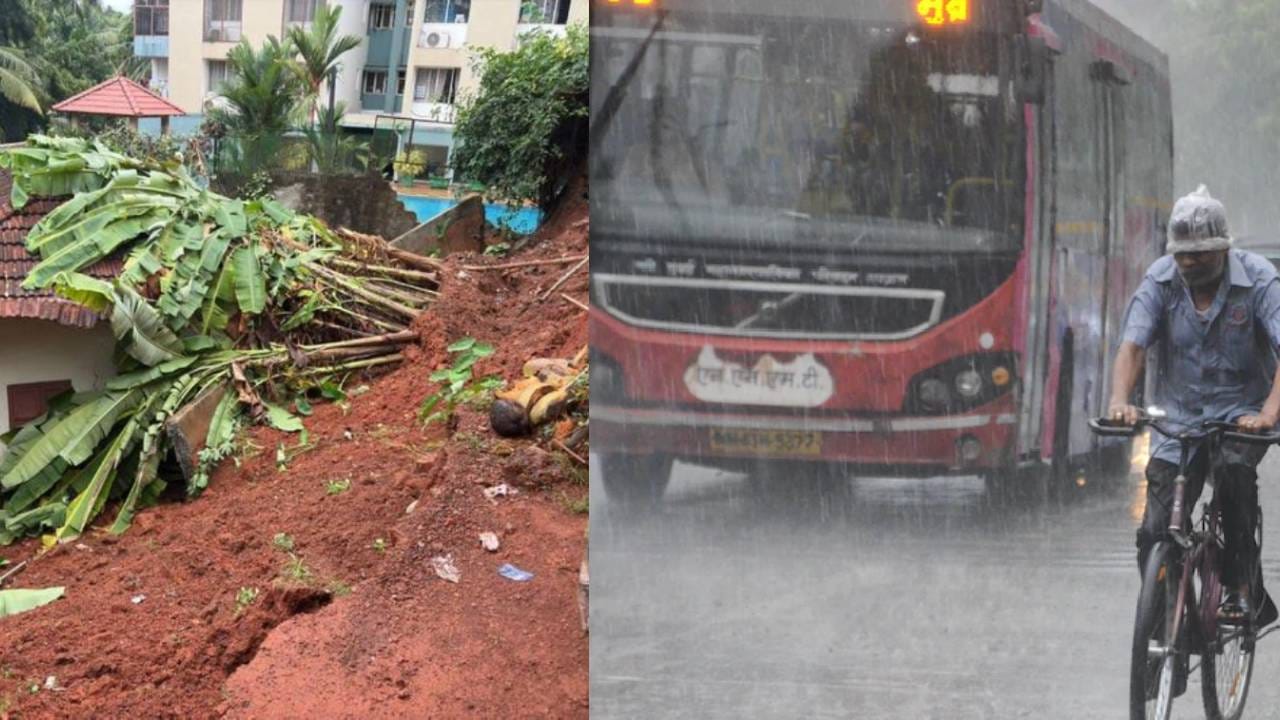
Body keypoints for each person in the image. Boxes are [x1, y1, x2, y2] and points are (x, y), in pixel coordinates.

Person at [1108, 185, 1280, 625]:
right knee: (1154, 530)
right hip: (1179, 419)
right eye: (1182, 255)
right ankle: (1168, 620)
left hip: (1241, 417)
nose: (1188, 264)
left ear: (1223, 249)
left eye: (1200, 255)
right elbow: (1133, 347)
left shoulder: (1259, 280)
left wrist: (1267, 414)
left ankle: (1241, 587)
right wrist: (1120, 401)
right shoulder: (1160, 280)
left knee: (1234, 475)